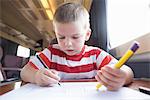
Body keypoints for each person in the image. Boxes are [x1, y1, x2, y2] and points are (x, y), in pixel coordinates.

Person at [21, 2, 133, 91]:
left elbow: (126, 71)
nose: (68, 43)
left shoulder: (96, 54)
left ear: (87, 35)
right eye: (61, 37)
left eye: (75, 37)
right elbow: (25, 72)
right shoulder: (51, 53)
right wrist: (36, 76)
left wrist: (122, 77)